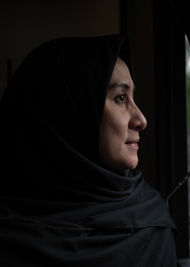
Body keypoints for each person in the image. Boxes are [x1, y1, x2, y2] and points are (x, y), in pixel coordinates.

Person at [0, 35, 177, 266]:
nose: (141, 120)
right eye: (121, 97)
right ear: (66, 113)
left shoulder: (151, 218)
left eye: (132, 97)